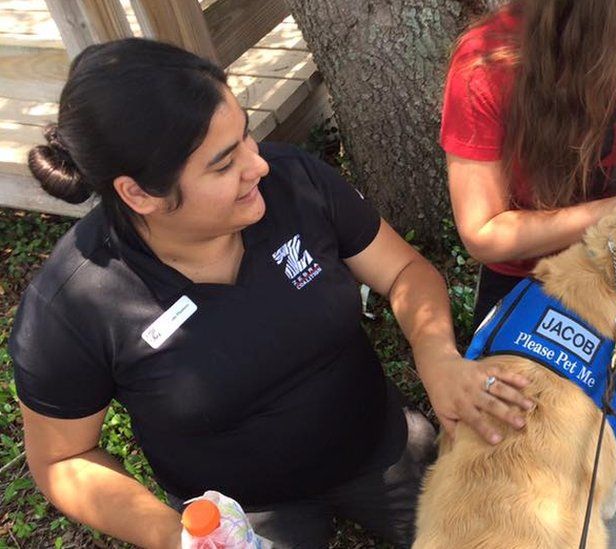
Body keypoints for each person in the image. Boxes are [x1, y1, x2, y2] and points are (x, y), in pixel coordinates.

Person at [12, 38, 535, 548]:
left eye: (245, 136)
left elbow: (404, 272)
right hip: (240, 509)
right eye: (223, 164)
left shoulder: (293, 183)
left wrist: (436, 354)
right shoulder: (74, 303)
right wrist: (177, 535)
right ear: (139, 193)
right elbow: (63, 458)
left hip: (378, 446)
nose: (257, 164)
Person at [441, 0, 616, 478]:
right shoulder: (491, 61)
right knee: (514, 418)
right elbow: (484, 234)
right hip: (532, 273)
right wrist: (608, 209)